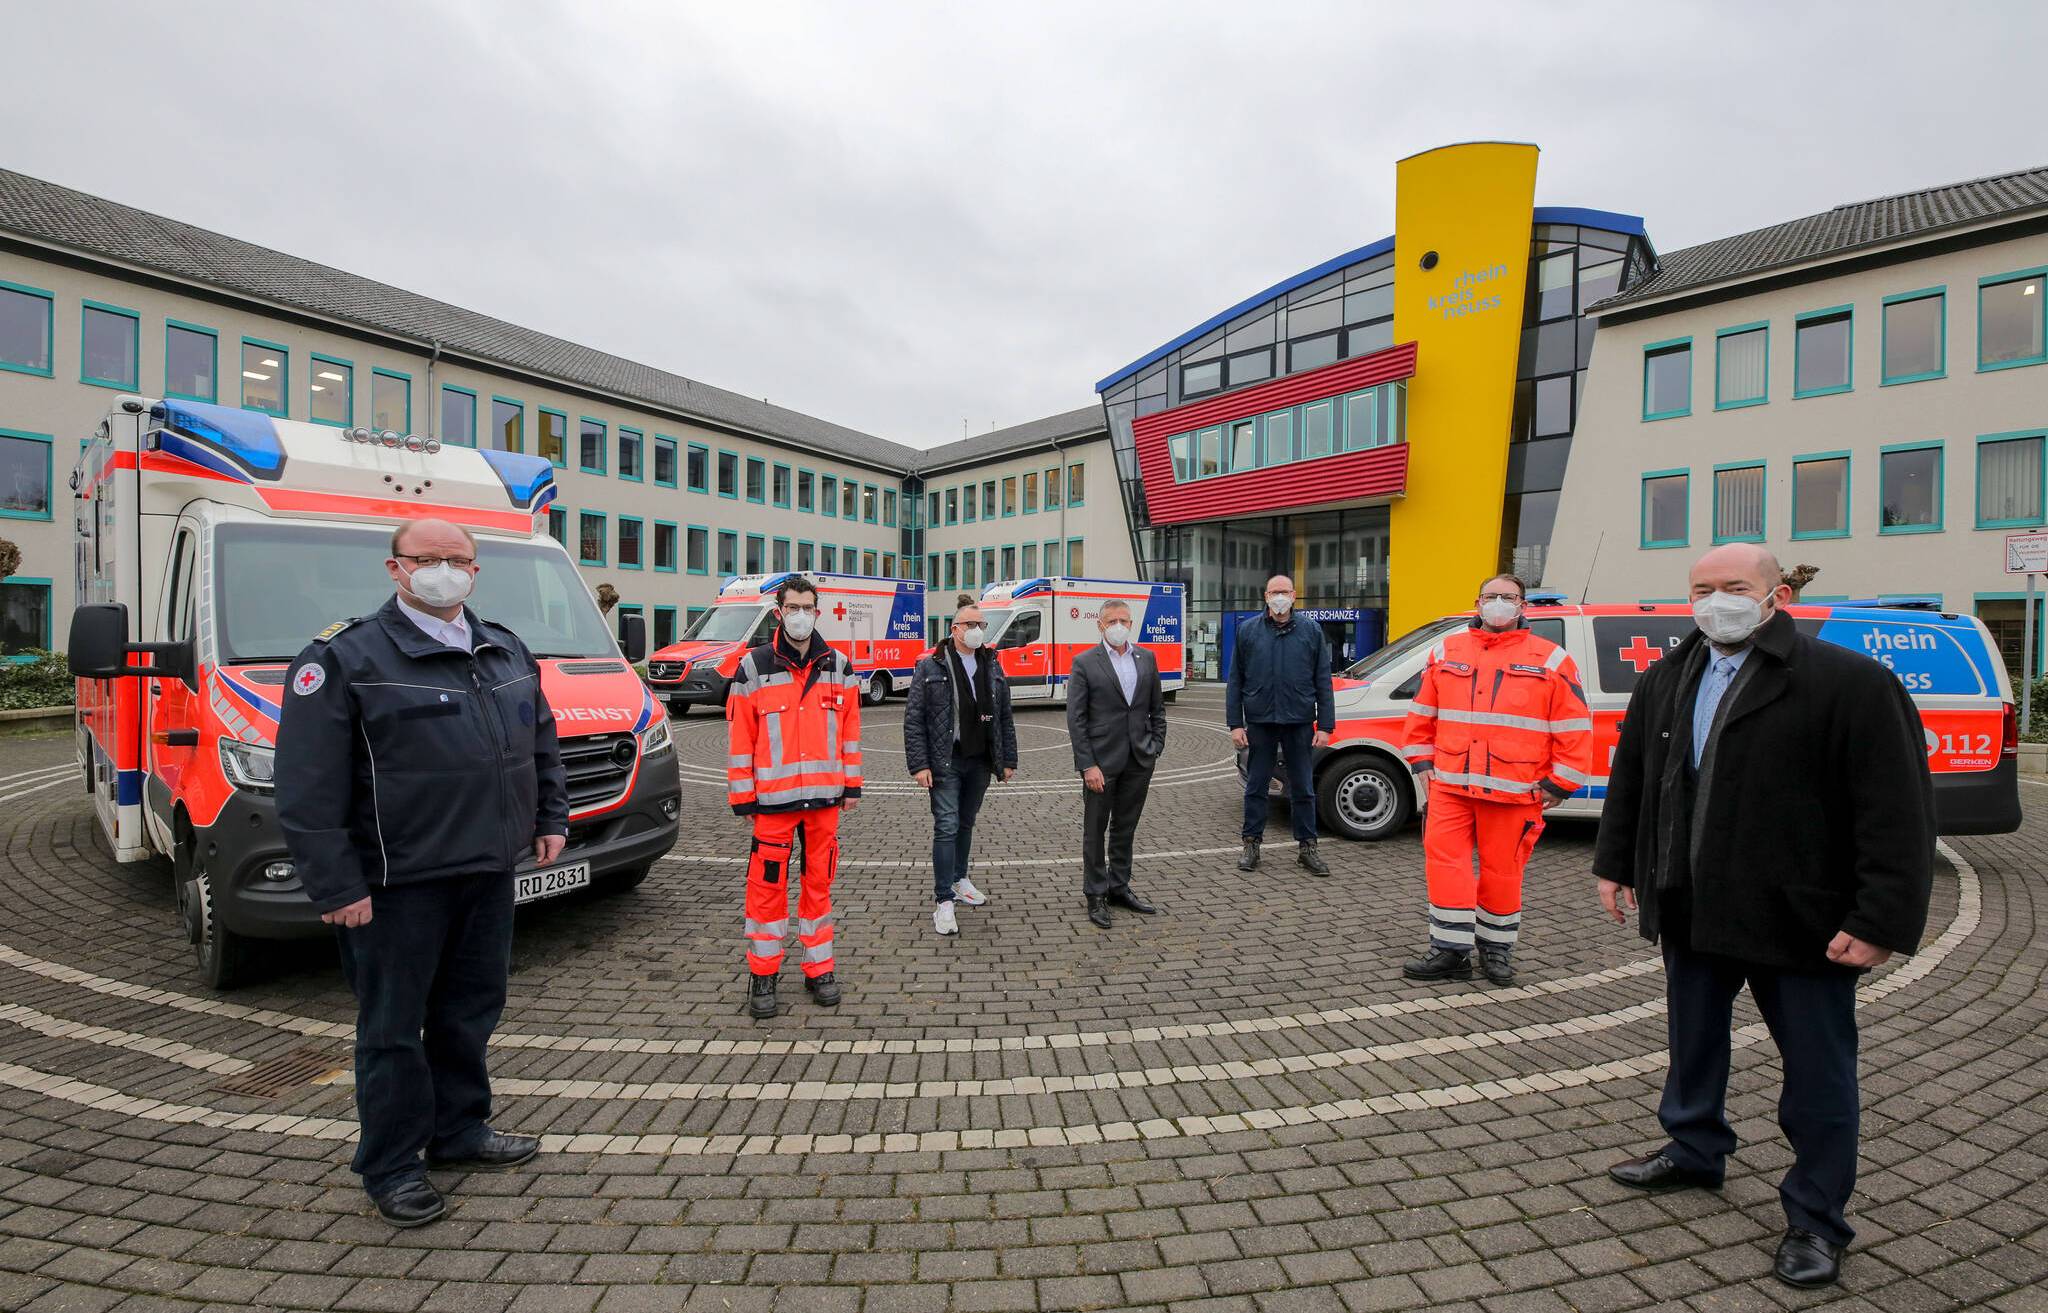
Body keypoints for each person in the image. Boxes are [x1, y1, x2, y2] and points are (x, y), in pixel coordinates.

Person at [1594, 543, 1935, 1290]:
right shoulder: (1667, 675)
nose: (1718, 598)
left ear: (1776, 593)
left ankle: (1816, 1216)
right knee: (1693, 1043)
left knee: (1817, 1077)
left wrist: (1880, 918)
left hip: (1801, 919)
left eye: (1736, 586)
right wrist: (1617, 861)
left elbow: (1896, 811)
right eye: (1703, 587)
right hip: (1691, 902)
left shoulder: (1848, 682)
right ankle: (1694, 1147)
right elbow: (1636, 776)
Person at [276, 517, 565, 1230]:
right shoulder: (345, 657)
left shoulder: (504, 646)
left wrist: (551, 817)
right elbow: (307, 785)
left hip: (487, 871)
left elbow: (540, 740)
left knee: (469, 1011)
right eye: (427, 558)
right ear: (395, 568)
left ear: (476, 569)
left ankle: (460, 1128)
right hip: (395, 882)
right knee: (393, 1029)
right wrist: (335, 884)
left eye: (457, 559)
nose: (444, 570)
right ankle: (393, 1162)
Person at [1399, 573, 1593, 985]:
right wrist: (1421, 762)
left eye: (1509, 597)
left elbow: (1574, 727)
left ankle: (1496, 950)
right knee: (1445, 867)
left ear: (1524, 606)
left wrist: (1561, 783)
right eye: (1492, 596)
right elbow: (1421, 714)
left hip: (1516, 792)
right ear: (1478, 602)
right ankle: (1450, 952)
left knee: (1502, 873)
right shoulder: (1445, 651)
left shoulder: (1551, 659)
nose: (1499, 603)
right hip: (1451, 787)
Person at [727, 575, 862, 1019]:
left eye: (808, 607)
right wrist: (743, 796)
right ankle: (763, 973)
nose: (801, 615)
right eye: (793, 607)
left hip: (824, 801)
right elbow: (740, 737)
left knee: (818, 886)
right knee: (766, 891)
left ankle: (818, 966)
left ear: (817, 612)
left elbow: (849, 732)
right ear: (779, 612)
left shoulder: (838, 666)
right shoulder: (753, 667)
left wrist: (852, 786)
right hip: (773, 803)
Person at [905, 602, 1018, 936]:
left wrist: (1008, 759)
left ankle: (959, 879)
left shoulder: (992, 664)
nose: (977, 629)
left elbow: (1005, 716)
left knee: (966, 822)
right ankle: (943, 901)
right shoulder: (931, 666)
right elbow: (914, 719)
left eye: (981, 624)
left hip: (980, 758)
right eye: (970, 624)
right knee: (947, 825)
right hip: (946, 758)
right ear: (954, 629)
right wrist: (919, 764)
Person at [1065, 599, 1167, 929]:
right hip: (1101, 763)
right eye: (1112, 620)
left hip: (1139, 760)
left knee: (1126, 827)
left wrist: (1155, 748)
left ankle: (1119, 886)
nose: (1119, 625)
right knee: (1095, 830)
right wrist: (1087, 765)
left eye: (1124, 619)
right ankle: (1095, 893)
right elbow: (1076, 720)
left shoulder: (1146, 658)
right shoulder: (1084, 663)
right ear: (1100, 625)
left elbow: (1157, 710)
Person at [1226, 574, 1335, 876]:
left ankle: (1307, 848)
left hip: (1299, 722)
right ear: (1265, 596)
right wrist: (1236, 724)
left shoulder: (1311, 631)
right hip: (1260, 722)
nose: (1279, 597)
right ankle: (1251, 844)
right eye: (1274, 592)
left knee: (1302, 787)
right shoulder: (1248, 631)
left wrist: (1325, 726)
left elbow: (1323, 682)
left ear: (1294, 595)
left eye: (1284, 591)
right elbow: (1235, 681)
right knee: (1256, 786)